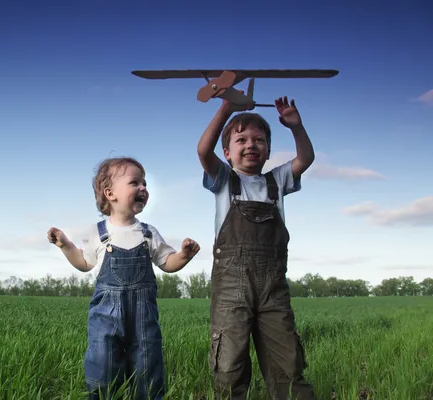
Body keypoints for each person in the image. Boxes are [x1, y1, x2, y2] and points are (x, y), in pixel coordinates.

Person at [47, 156, 200, 400]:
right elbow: (85, 263)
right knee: (103, 361)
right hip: (106, 315)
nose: (143, 188)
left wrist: (183, 255)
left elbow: (167, 262)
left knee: (148, 361)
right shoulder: (99, 233)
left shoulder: (148, 233)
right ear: (110, 193)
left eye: (145, 183)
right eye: (135, 183)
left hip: (143, 315)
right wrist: (66, 245)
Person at [197, 96, 316, 399]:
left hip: (273, 288)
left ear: (268, 150)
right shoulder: (224, 179)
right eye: (241, 139)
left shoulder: (276, 181)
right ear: (228, 152)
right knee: (229, 361)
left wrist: (296, 127)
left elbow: (306, 159)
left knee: (286, 360)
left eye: (259, 140)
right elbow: (202, 150)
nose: (251, 144)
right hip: (231, 289)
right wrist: (227, 107)